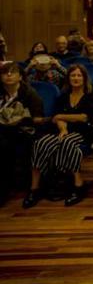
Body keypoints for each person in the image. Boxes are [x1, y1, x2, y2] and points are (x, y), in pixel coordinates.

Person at [23, 64, 93, 208]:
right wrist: (62, 128)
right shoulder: (63, 96)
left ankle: (77, 185)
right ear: (68, 78)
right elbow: (58, 120)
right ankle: (35, 188)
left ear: (84, 78)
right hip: (61, 130)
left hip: (83, 132)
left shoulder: (91, 96)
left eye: (79, 75)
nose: (76, 78)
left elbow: (84, 117)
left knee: (68, 143)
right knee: (41, 143)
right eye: (72, 75)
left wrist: (61, 116)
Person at [0, 62, 43, 206]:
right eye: (5, 73)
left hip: (24, 130)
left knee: (5, 145)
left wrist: (19, 120)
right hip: (3, 130)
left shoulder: (29, 93)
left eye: (13, 72)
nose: (9, 75)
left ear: (20, 76)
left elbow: (38, 118)